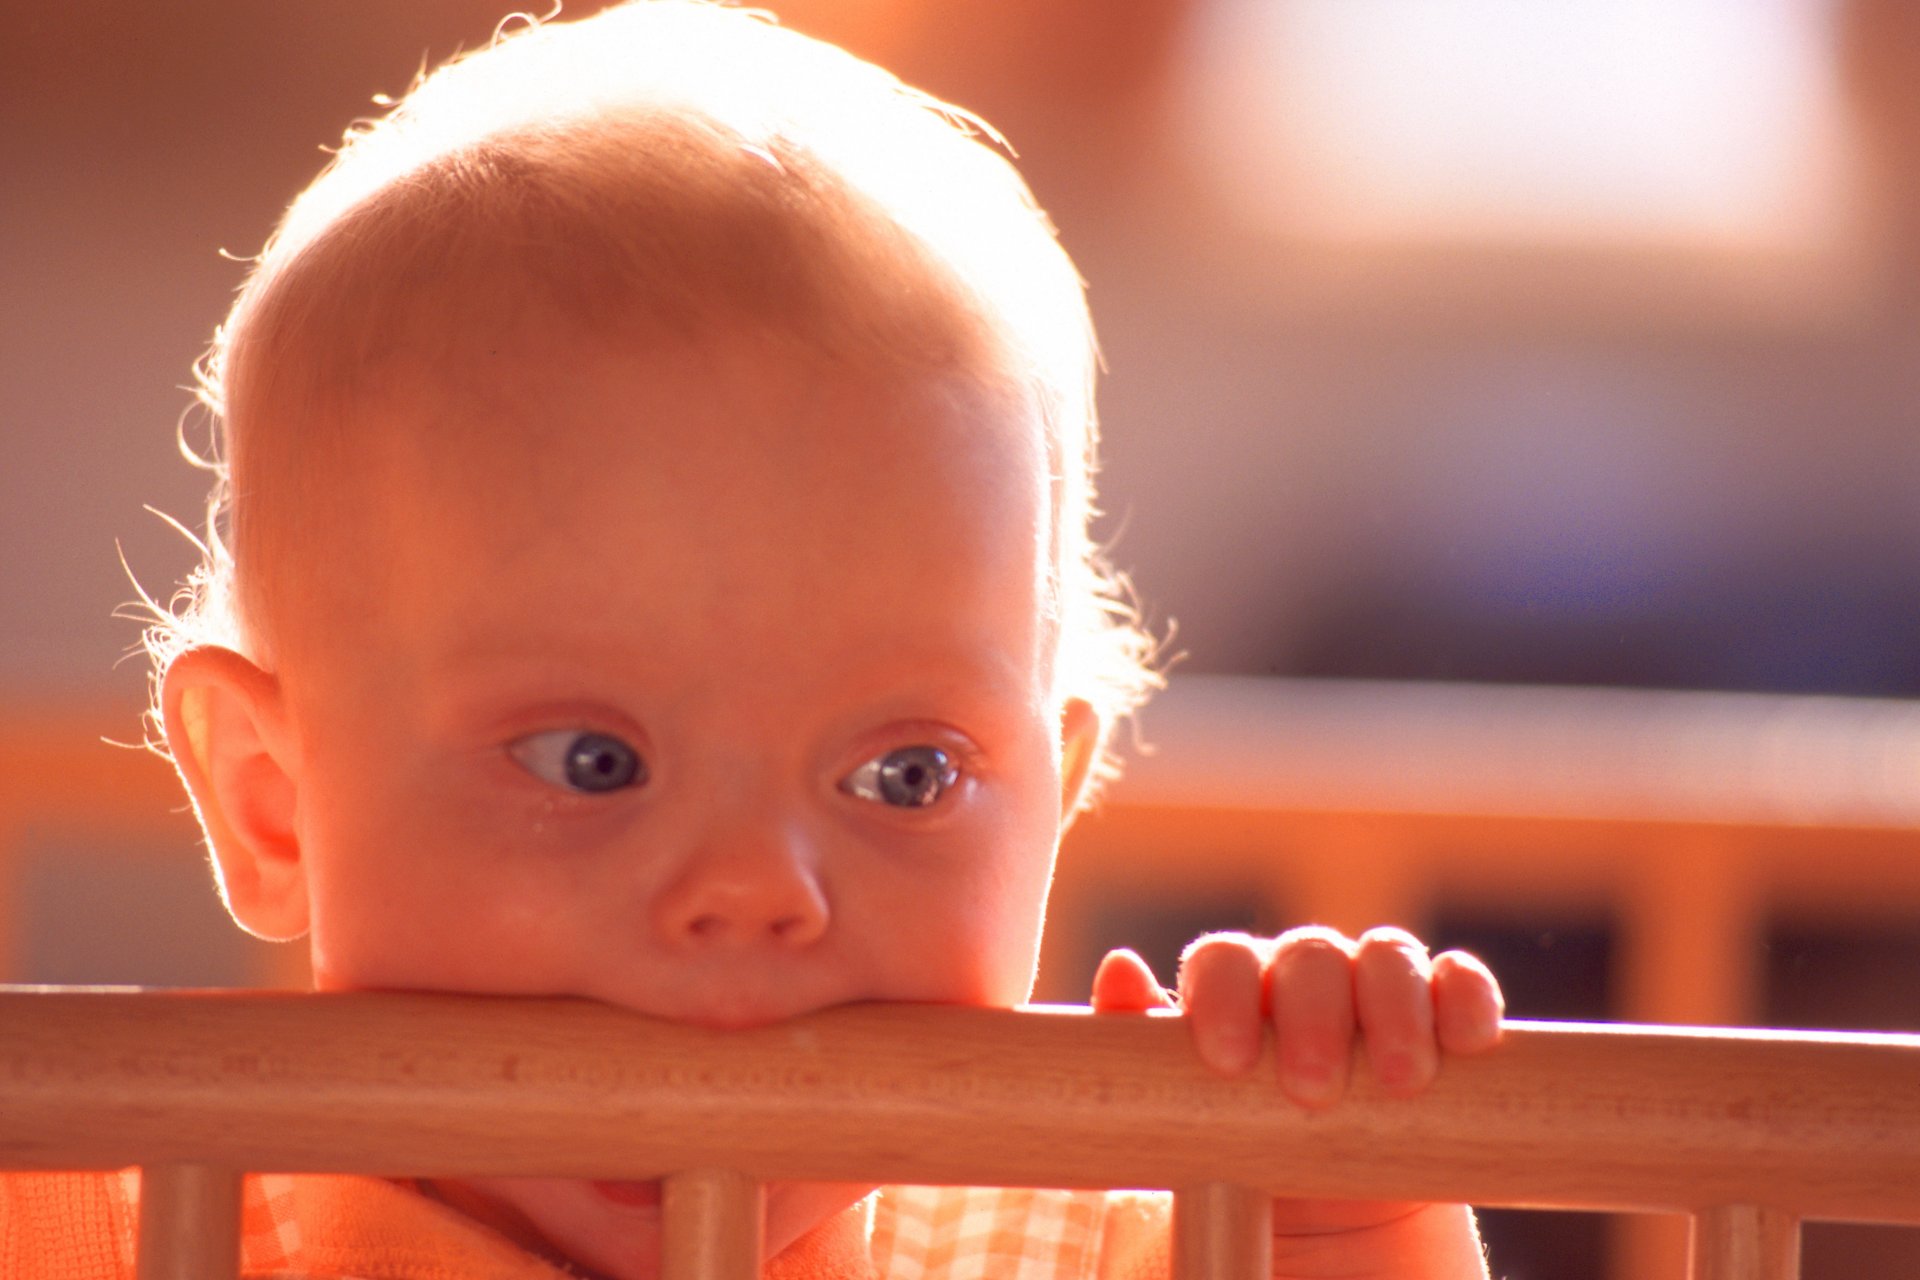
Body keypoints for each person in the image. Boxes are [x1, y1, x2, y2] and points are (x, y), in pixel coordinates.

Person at [6, 3, 1504, 1276]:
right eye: (592, 761)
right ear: (275, 799)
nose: (754, 893)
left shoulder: (1087, 1237)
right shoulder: (121, 1215)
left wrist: (1343, 1197)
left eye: (906, 775)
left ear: (1055, 803)